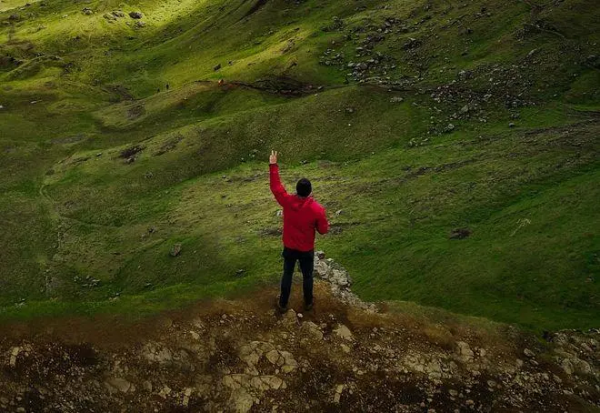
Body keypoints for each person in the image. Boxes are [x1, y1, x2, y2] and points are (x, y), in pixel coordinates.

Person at [269, 150, 329, 313]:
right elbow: (323, 230)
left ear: (296, 190)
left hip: (289, 246)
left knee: (287, 274)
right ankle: (308, 303)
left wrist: (273, 165)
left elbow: (276, 188)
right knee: (308, 276)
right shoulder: (317, 209)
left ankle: (282, 304)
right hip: (306, 249)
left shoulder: (287, 202)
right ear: (310, 191)